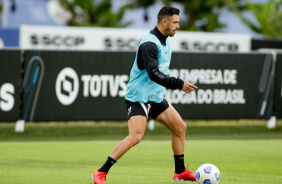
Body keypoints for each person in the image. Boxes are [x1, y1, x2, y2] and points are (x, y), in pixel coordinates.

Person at [92, 6, 198, 184]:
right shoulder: (149, 44)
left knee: (180, 127)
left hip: (155, 97)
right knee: (136, 136)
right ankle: (101, 172)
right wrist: (180, 84)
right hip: (138, 97)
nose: (178, 26)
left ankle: (180, 172)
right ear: (164, 22)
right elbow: (154, 74)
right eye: (175, 22)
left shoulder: (165, 40)